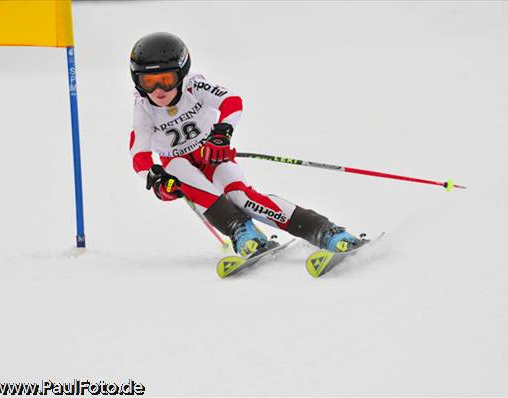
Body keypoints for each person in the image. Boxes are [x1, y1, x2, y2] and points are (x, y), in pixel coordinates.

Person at [129, 32, 361, 257]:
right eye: (148, 82)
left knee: (242, 197)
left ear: (181, 74)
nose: (158, 91)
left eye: (166, 80)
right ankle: (244, 234)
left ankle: (324, 230)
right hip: (177, 164)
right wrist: (157, 178)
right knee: (181, 172)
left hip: (212, 154)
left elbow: (231, 101)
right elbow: (139, 155)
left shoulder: (194, 87)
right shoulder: (144, 110)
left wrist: (221, 133)